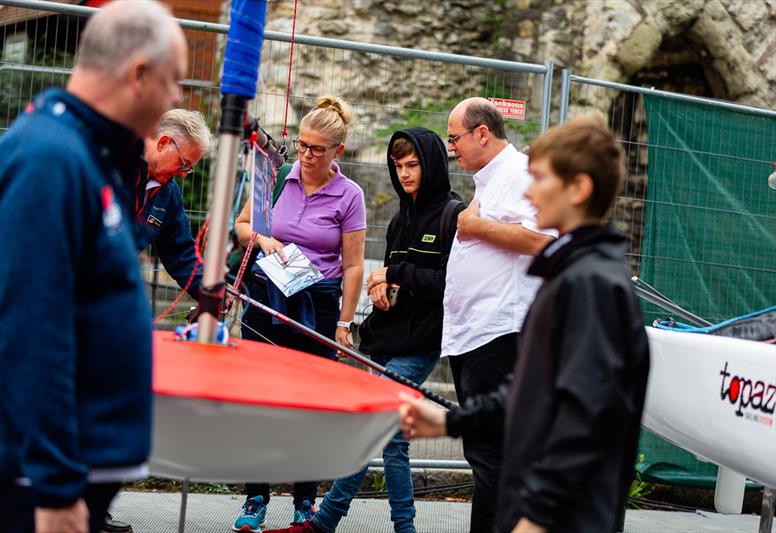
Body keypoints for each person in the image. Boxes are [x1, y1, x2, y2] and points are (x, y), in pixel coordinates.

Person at [0, 2, 187, 533]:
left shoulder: (84, 154)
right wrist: (55, 485)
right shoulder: (48, 161)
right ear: (139, 73)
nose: (178, 98)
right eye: (175, 80)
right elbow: (31, 330)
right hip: (29, 489)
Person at [399, 117, 651, 533]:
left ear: (578, 189)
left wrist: (535, 517)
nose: (529, 192)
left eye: (540, 179)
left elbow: (583, 420)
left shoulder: (591, 284)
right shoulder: (571, 274)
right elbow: (532, 389)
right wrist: (450, 422)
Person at [265, 128, 465, 533]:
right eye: (398, 166)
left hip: (423, 340)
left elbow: (450, 285)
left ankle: (336, 522)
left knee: (380, 427)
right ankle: (338, 524)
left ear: (434, 166)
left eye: (414, 165)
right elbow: (400, 280)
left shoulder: (453, 215)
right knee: (384, 434)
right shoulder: (399, 217)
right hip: (389, 335)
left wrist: (395, 273)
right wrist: (382, 289)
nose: (405, 173)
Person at [231, 95, 366, 533]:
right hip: (268, 295)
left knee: (309, 405)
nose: (306, 155)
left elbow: (353, 264)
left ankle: (304, 501)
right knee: (260, 399)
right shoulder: (277, 176)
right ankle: (255, 497)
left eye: (317, 149)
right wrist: (265, 241)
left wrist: (345, 323)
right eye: (302, 145)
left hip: (317, 305)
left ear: (337, 153)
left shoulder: (350, 195)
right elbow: (243, 224)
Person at [441, 97, 555, 531]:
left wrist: (475, 227)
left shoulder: (519, 172)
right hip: (476, 334)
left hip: (500, 332)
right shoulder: (490, 179)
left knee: (493, 453)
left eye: (456, 138)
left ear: (482, 133)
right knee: (486, 453)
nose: (452, 147)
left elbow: (542, 239)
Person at [127, 108, 215, 298]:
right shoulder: (115, 163)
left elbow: (180, 252)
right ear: (163, 143)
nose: (183, 174)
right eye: (183, 163)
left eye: (189, 169)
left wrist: (210, 290)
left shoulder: (168, 192)